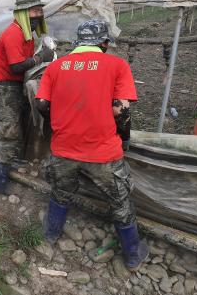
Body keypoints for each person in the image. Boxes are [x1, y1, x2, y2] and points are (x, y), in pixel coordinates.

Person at [34, 19, 148, 271]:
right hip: (103, 153)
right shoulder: (117, 66)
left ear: (78, 42)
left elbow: (41, 104)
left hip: (63, 150)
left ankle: (50, 236)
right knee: (120, 202)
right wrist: (124, 138)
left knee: (60, 194)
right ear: (104, 43)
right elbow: (121, 110)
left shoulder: (56, 67)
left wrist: (56, 125)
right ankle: (132, 255)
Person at [0, 0, 53, 195]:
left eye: (40, 11)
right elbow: (16, 66)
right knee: (9, 136)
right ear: (24, 13)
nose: (39, 15)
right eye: (35, 11)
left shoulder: (27, 34)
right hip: (4, 88)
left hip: (14, 87)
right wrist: (41, 57)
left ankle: (12, 166)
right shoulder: (14, 33)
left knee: (19, 127)